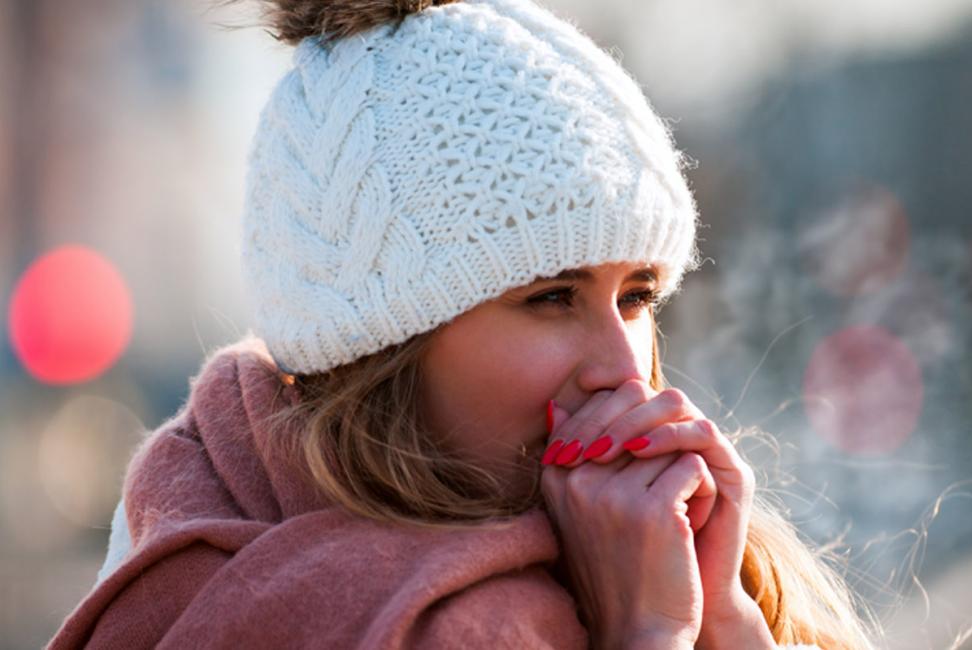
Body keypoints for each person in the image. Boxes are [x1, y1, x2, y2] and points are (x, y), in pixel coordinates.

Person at [50, 0, 877, 647]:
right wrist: (647, 636)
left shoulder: (701, 568)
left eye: (637, 297)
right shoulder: (238, 598)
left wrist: (727, 625)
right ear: (380, 349)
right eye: (550, 297)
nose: (624, 371)